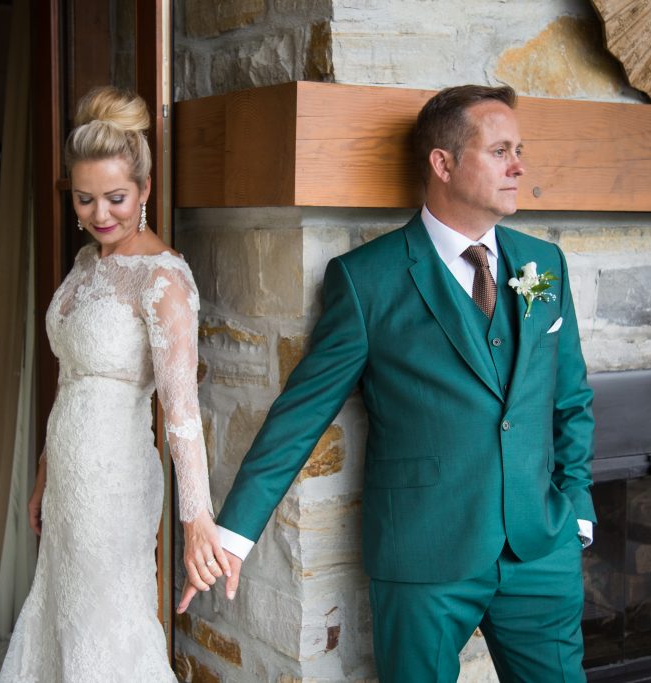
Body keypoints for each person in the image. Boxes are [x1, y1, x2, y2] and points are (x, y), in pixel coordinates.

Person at [182, 85, 596, 682]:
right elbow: (301, 414)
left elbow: (570, 399)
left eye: (520, 149)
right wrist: (234, 536)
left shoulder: (544, 264)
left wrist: (576, 507)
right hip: (424, 559)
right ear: (443, 163)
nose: (520, 166)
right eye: (501, 149)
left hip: (540, 549)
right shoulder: (366, 280)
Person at [0, 86, 229, 682]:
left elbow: (181, 413)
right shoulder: (85, 263)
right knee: (63, 608)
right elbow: (69, 379)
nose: (100, 216)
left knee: (107, 619)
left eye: (116, 198)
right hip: (69, 476)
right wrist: (46, 473)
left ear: (146, 190)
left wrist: (196, 518)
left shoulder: (162, 279)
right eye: (84, 199)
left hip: (116, 482)